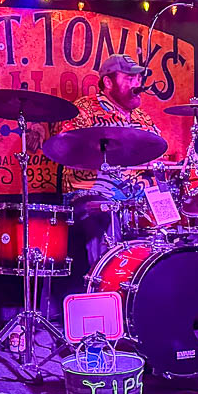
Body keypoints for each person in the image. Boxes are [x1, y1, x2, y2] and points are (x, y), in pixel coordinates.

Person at [50, 54, 161, 268]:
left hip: (138, 197)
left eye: (138, 79)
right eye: (129, 78)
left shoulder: (143, 117)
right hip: (91, 194)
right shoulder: (84, 109)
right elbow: (68, 149)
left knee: (193, 215)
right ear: (108, 82)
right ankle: (106, 288)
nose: (137, 84)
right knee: (104, 214)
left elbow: (158, 156)